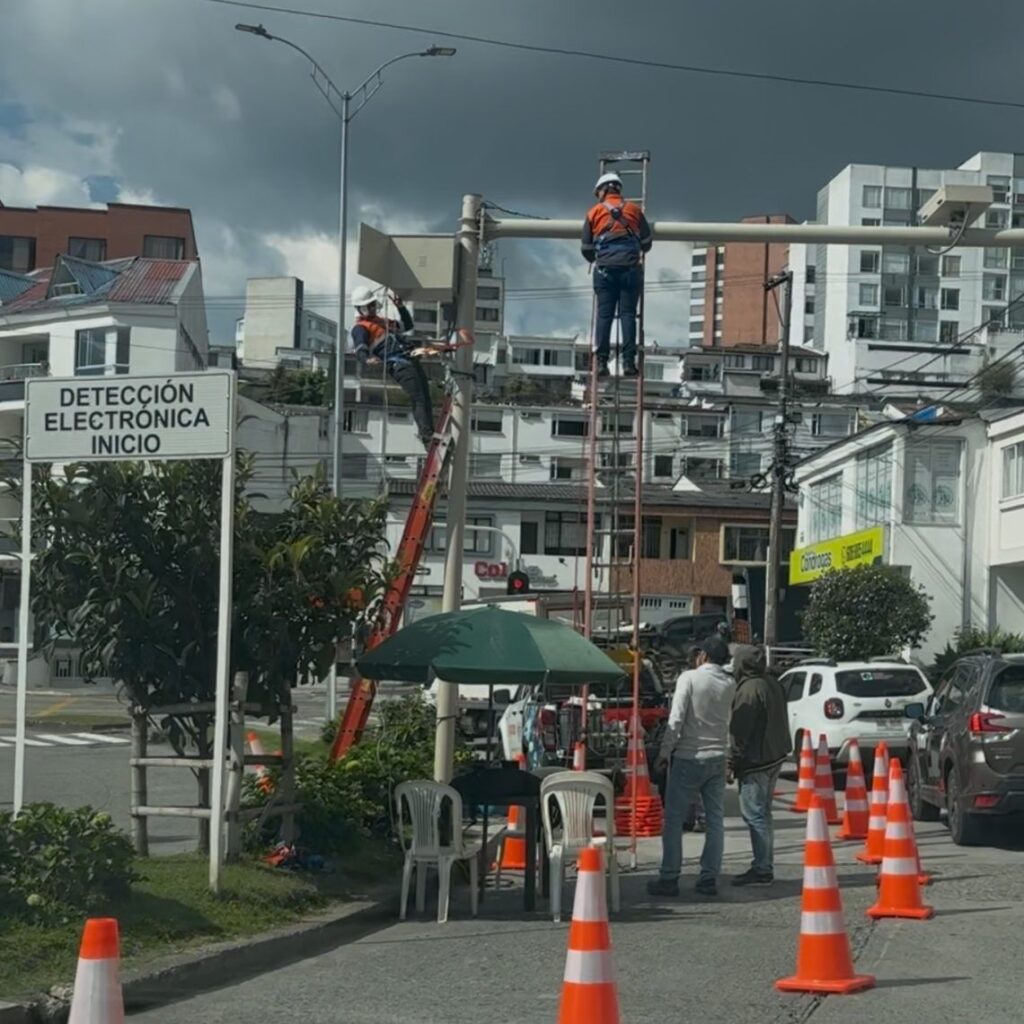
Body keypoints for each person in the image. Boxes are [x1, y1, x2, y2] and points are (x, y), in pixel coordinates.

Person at [647, 634, 736, 898]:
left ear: (703, 656)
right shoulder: (729, 683)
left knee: (674, 819)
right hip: (717, 756)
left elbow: (676, 720)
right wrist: (728, 757)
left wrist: (664, 753)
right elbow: (727, 723)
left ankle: (669, 877)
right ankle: (709, 878)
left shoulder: (689, 678)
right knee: (715, 819)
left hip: (688, 756)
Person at [729, 644, 792, 886]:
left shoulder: (748, 690)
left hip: (756, 759)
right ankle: (765, 864)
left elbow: (740, 732)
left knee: (754, 815)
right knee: (764, 814)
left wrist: (732, 761)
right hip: (775, 756)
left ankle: (762, 867)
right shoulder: (772, 683)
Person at [581, 172, 653, 379]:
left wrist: (601, 256)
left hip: (605, 271)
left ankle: (602, 362)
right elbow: (647, 242)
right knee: (628, 315)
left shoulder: (593, 213)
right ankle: (628, 362)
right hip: (630, 269)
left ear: (602, 192)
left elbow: (586, 248)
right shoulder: (634, 210)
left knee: (605, 316)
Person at [350, 285, 436, 447]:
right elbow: (360, 348)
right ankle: (427, 437)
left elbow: (408, 325)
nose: (373, 308)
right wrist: (367, 360)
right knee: (417, 397)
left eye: (373, 304)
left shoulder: (381, 322)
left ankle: (430, 433)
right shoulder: (360, 328)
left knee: (425, 396)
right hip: (398, 365)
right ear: (361, 308)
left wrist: (401, 307)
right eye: (369, 306)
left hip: (410, 359)